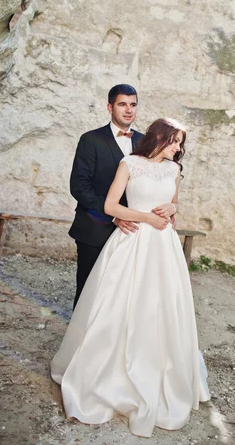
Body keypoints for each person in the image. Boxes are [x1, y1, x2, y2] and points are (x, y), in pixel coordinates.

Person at [51, 118, 210, 437]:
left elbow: (174, 204)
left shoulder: (174, 170)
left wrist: (170, 206)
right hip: (132, 241)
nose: (179, 148)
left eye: (181, 143)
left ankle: (158, 369)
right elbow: (111, 205)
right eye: (175, 141)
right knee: (117, 304)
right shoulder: (129, 164)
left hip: (163, 249)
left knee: (161, 308)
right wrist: (146, 217)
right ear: (159, 138)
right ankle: (105, 372)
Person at [69, 84, 144, 308]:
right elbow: (79, 187)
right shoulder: (90, 140)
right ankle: (80, 340)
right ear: (110, 107)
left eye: (133, 105)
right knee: (88, 289)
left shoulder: (144, 142)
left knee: (121, 293)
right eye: (122, 104)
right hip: (95, 227)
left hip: (132, 232)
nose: (128, 110)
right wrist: (113, 215)